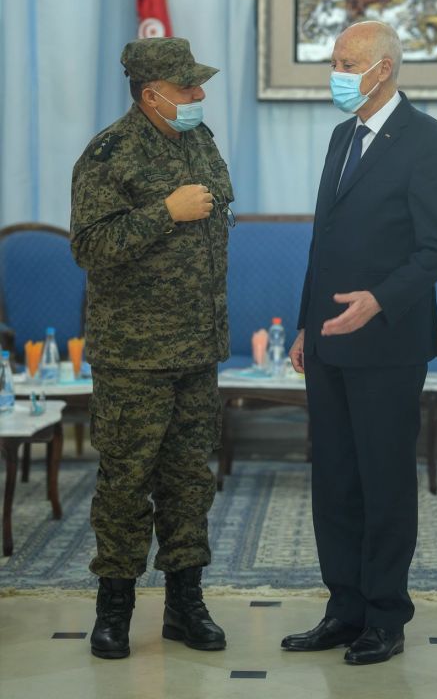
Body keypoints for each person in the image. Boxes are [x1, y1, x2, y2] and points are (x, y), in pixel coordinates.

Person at [281, 21, 437, 665]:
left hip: (388, 342)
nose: (336, 74)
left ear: (383, 69)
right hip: (328, 342)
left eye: (346, 63)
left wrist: (378, 300)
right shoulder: (342, 136)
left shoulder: (428, 141)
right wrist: (306, 323)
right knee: (334, 480)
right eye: (334, 62)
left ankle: (385, 616)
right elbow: (323, 241)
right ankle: (344, 609)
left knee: (383, 482)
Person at [70, 36, 234, 660]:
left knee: (190, 481)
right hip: (133, 355)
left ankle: (185, 605)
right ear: (151, 95)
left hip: (197, 345)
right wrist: (165, 211)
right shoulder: (109, 153)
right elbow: (89, 246)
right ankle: (113, 610)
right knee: (125, 482)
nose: (198, 94)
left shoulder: (200, 140)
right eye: (187, 86)